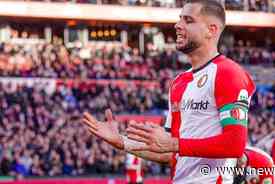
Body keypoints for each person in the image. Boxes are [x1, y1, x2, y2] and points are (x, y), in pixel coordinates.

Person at [82, 0, 256, 183]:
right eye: (179, 19)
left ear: (211, 30)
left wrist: (173, 144)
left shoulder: (228, 73)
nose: (177, 25)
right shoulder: (179, 83)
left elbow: (234, 145)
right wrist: (122, 142)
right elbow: (168, 152)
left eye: (188, 20)